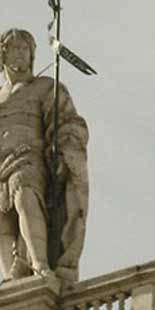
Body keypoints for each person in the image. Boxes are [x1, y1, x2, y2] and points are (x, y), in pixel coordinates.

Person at [0, 28, 88, 283]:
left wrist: (64, 145)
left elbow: (68, 121)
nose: (20, 54)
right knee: (3, 221)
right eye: (14, 48)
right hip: (1, 161)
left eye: (24, 49)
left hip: (29, 157)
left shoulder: (45, 86)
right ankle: (13, 275)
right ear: (3, 55)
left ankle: (39, 265)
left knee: (25, 198)